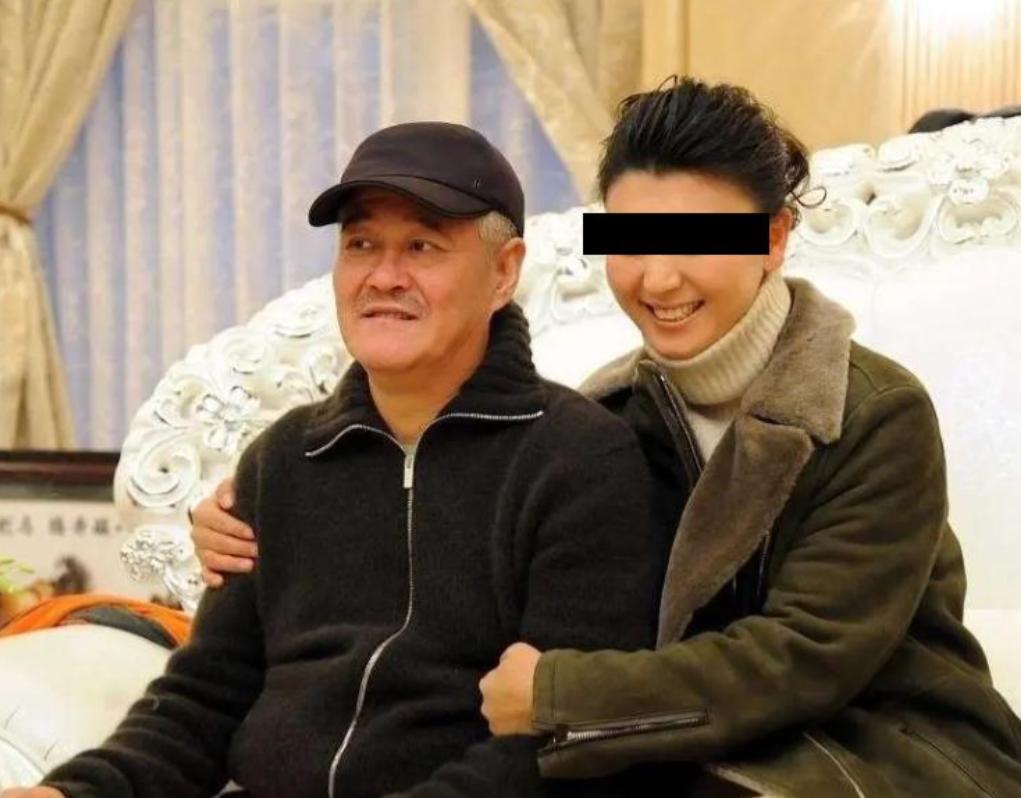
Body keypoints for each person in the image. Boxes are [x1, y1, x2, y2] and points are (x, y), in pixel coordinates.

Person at [192, 79, 1021, 796]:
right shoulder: (607, 419)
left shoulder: (869, 410)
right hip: (680, 741)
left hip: (875, 749)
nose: (657, 278)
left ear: (771, 238)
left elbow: (808, 655)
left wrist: (561, 697)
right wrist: (244, 524)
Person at [2, 122, 662, 798]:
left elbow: (556, 740)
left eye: (422, 246)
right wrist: (73, 793)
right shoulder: (284, 459)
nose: (383, 276)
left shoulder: (579, 459)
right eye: (361, 245)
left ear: (503, 271)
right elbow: (202, 701)